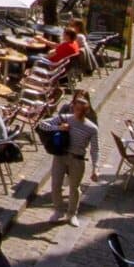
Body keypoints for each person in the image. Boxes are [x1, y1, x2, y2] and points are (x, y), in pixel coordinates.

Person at [45, 94, 99, 224]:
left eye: (82, 110)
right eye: (77, 108)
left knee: (74, 188)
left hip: (77, 159)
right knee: (56, 184)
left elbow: (95, 149)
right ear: (73, 108)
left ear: (86, 111)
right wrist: (58, 128)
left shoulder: (92, 128)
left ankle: (71, 214)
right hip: (61, 156)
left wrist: (95, 168)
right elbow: (43, 125)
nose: (79, 112)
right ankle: (58, 210)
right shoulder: (65, 118)